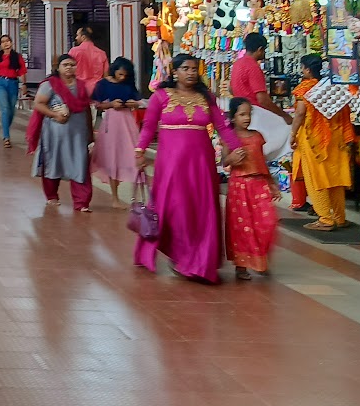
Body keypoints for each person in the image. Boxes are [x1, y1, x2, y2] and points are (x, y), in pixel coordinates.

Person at [134, 53, 246, 283]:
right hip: (171, 165)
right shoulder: (161, 97)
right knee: (175, 208)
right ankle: (179, 255)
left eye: (194, 69)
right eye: (186, 68)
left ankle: (199, 260)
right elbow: (148, 127)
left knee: (201, 209)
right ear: (175, 72)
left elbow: (223, 128)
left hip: (201, 164)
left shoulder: (206, 97)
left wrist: (236, 148)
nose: (191, 73)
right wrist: (139, 151)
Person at [290, 53, 355, 231]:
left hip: (314, 139)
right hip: (335, 138)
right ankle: (340, 217)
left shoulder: (306, 88)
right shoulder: (334, 87)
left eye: (302, 67)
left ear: (308, 70)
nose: (302, 71)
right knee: (335, 178)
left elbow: (301, 113)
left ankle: (325, 219)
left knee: (316, 178)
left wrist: (292, 134)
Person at [27, 54, 94, 211]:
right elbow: (38, 104)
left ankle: (81, 202)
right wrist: (55, 114)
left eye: (72, 64)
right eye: (65, 65)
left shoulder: (82, 86)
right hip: (54, 133)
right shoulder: (50, 85)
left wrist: (90, 132)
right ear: (58, 67)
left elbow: (86, 109)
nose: (69, 67)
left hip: (77, 132)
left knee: (80, 164)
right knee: (53, 162)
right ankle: (51, 196)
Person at [225, 98, 281, 280]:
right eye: (242, 114)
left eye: (249, 114)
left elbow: (262, 162)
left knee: (267, 222)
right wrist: (232, 158)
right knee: (242, 226)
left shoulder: (257, 136)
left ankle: (259, 260)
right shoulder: (229, 137)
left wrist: (272, 184)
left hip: (259, 184)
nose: (246, 118)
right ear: (233, 118)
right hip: (239, 185)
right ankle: (242, 266)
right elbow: (224, 161)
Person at [92, 57, 142, 206]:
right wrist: (111, 104)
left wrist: (135, 104)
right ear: (114, 70)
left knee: (130, 155)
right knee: (112, 156)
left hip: (127, 121)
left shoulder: (128, 84)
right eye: (120, 74)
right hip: (111, 122)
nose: (122, 78)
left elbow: (137, 99)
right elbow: (98, 105)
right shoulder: (103, 84)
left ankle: (134, 196)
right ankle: (115, 197)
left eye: (125, 75)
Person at [230, 31, 282, 117]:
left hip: (241, 112)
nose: (264, 53)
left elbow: (231, 88)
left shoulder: (237, 64)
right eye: (264, 50)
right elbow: (262, 99)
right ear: (260, 50)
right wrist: (282, 115)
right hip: (254, 113)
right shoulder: (253, 67)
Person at [0, 33, 26, 148]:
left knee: (11, 111)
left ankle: (5, 128)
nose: (6, 43)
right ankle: (6, 137)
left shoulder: (17, 57)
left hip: (13, 83)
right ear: (1, 45)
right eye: (3, 41)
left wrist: (24, 84)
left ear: (12, 43)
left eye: (8, 41)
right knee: (5, 108)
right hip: (0, 84)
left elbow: (22, 71)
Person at [69, 25, 109, 103]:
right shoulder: (101, 53)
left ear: (83, 37)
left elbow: (68, 71)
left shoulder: (74, 51)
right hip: (96, 89)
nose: (76, 38)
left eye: (77, 35)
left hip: (78, 88)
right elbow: (106, 76)